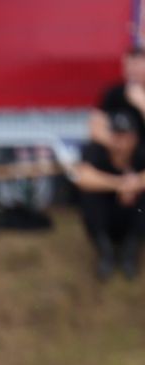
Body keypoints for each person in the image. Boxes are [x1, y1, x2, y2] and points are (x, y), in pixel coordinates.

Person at [73, 107, 143, 281]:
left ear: (135, 137)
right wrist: (122, 184)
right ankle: (106, 252)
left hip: (132, 217)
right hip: (105, 216)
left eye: (126, 136)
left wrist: (136, 184)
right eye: (117, 135)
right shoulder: (96, 151)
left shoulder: (141, 152)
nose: (122, 142)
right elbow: (82, 177)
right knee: (88, 195)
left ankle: (130, 250)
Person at [89, 44, 145, 155]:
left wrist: (142, 104)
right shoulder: (114, 93)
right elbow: (95, 127)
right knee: (92, 151)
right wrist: (117, 145)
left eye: (138, 65)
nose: (133, 70)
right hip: (117, 152)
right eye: (129, 65)